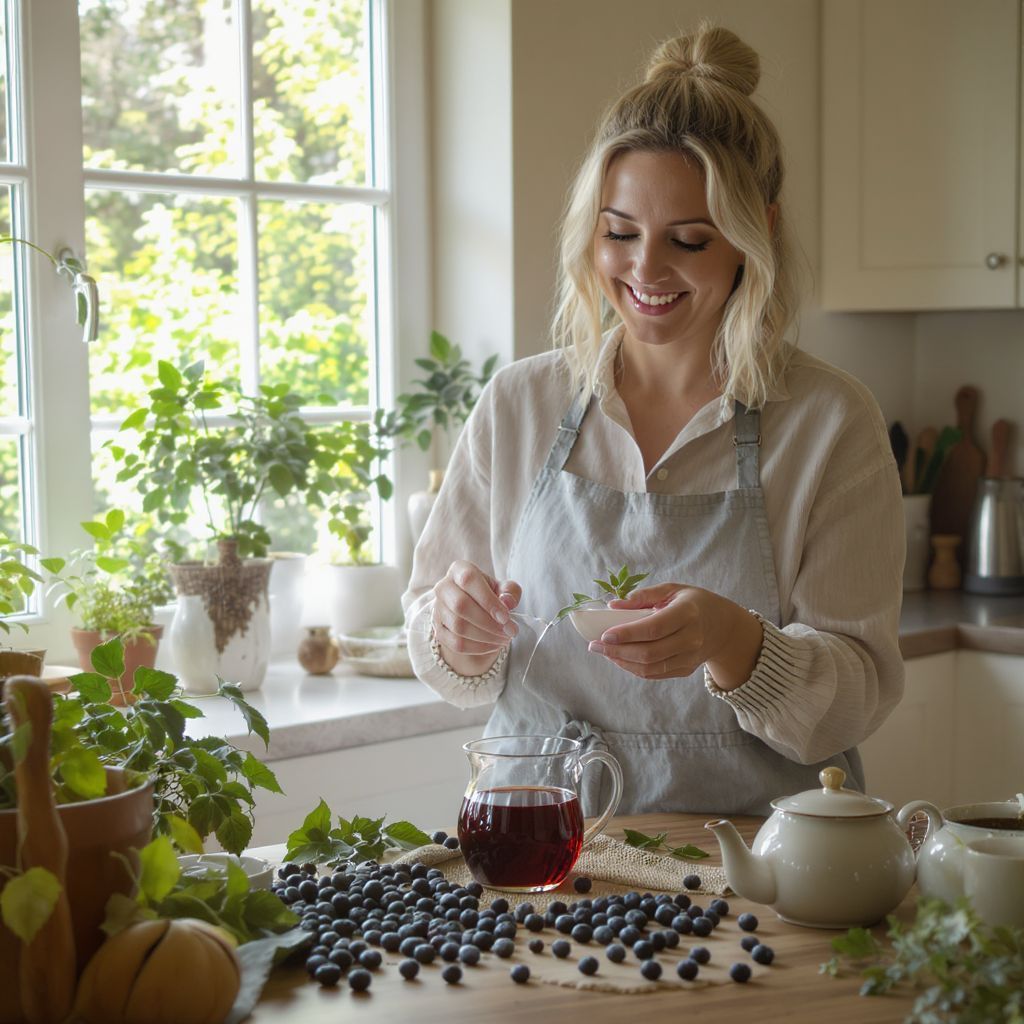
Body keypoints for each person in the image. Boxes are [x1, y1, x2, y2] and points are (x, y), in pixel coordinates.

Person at [401, 22, 904, 816]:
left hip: (753, 873)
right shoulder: (519, 405)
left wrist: (738, 645)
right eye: (620, 232)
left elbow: (858, 696)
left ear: (755, 235)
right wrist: (454, 632)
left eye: (690, 240)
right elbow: (438, 631)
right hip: (541, 851)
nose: (645, 271)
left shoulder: (828, 423)